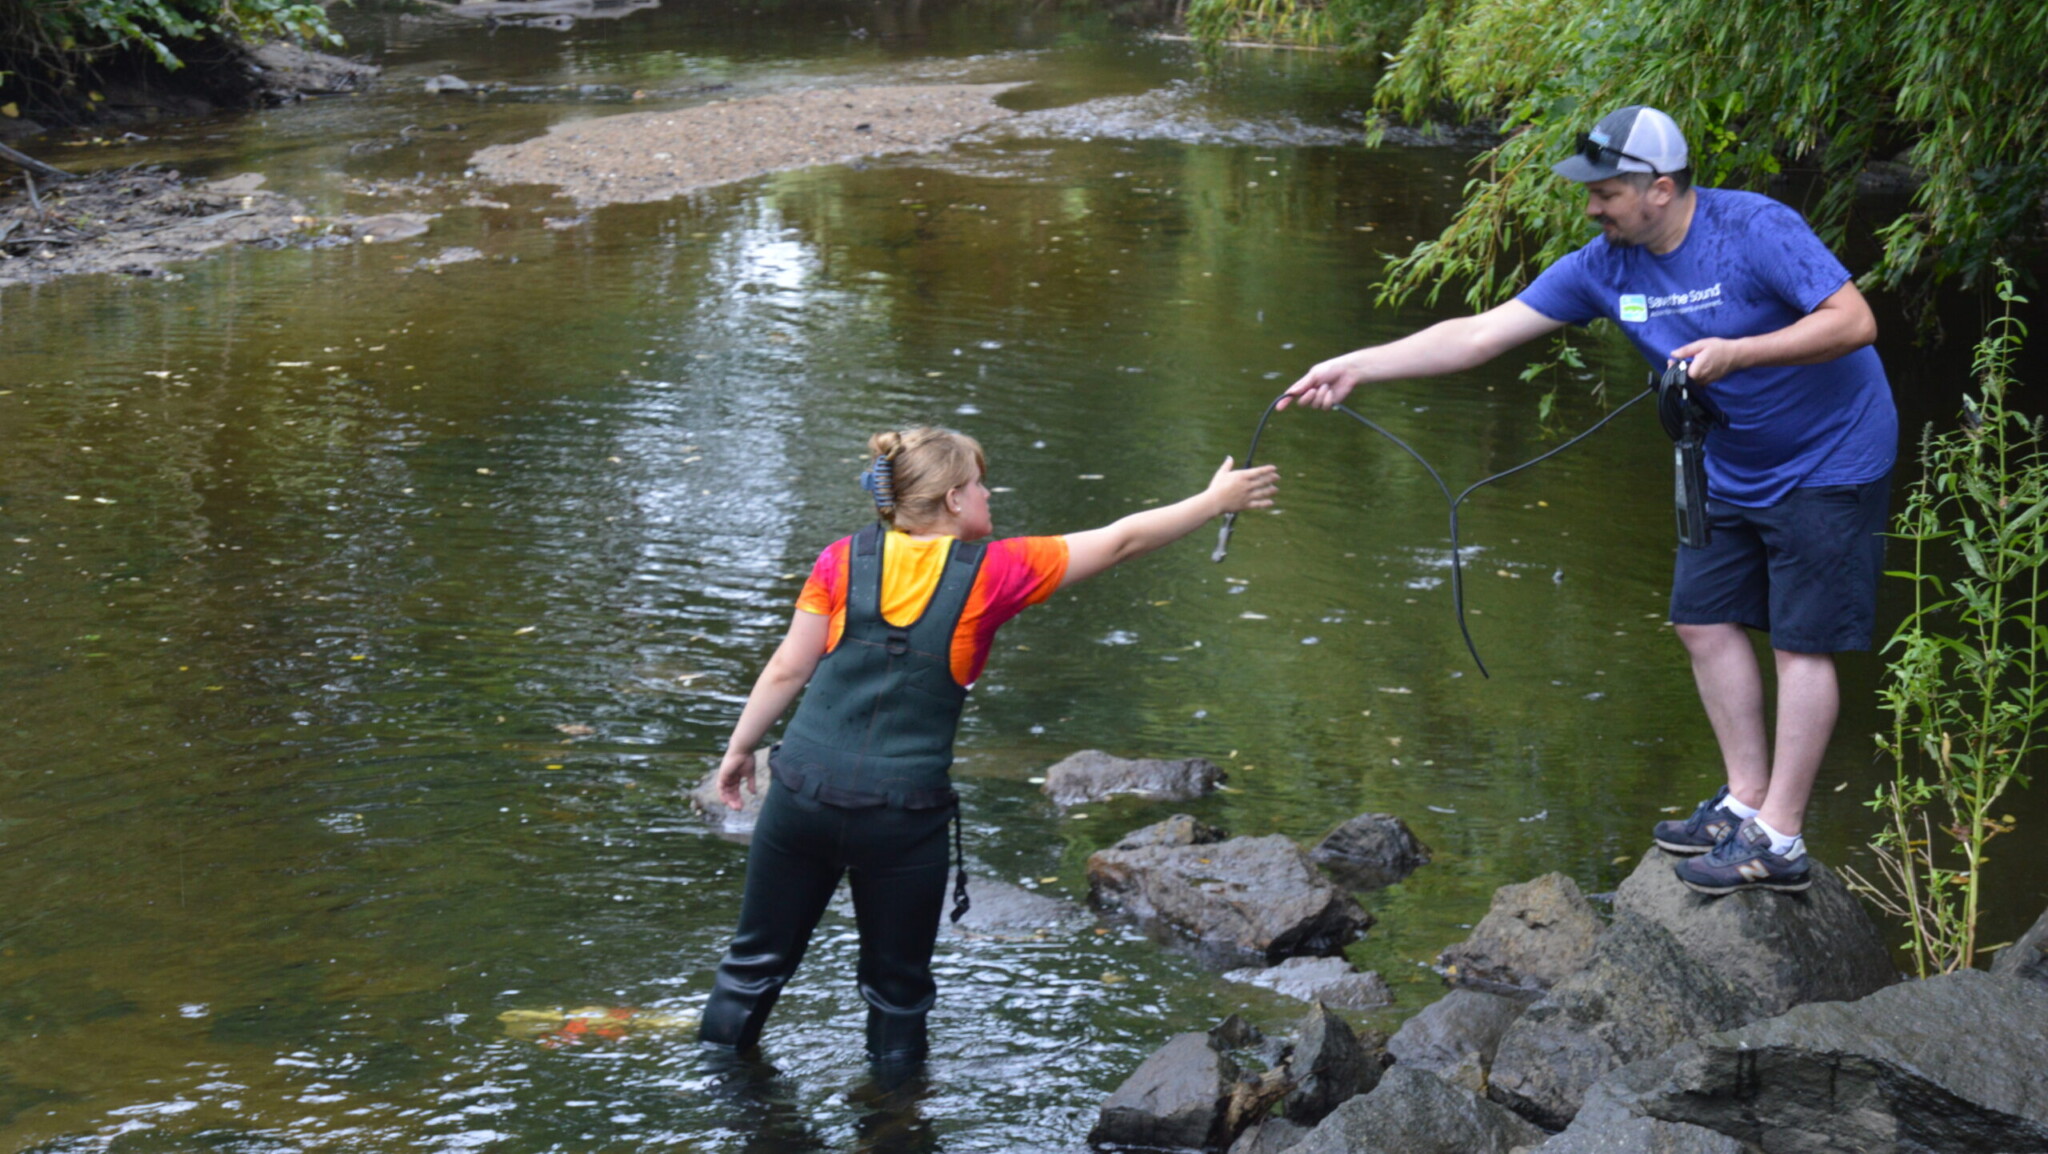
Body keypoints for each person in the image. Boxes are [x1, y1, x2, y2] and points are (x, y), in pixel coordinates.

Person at [1284, 105, 1897, 895]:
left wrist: (1739, 353)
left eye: (1605, 192)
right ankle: (1744, 799)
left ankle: (1780, 835)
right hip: (1729, 458)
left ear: (1661, 188)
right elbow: (1477, 335)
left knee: (1800, 642)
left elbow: (1856, 321)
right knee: (1701, 619)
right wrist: (1358, 365)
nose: (1592, 208)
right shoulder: (1605, 266)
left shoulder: (1755, 230)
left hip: (1830, 453)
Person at [699, 426, 1279, 1068]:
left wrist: (740, 750)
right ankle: (894, 1128)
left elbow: (787, 667)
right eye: (978, 483)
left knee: (752, 965)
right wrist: (1212, 500)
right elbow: (1120, 543)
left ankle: (720, 1104)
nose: (987, 492)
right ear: (952, 500)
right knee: (898, 993)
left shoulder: (841, 559)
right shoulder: (995, 573)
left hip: (801, 796)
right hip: (901, 816)